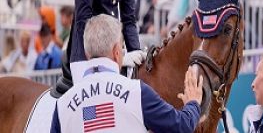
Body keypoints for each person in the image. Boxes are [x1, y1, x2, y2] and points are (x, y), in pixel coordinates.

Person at [50, 14, 203, 133]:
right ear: (117, 52)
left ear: (87, 53)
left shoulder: (63, 105)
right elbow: (182, 127)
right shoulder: (137, 92)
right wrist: (193, 103)